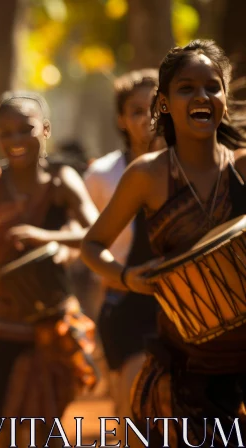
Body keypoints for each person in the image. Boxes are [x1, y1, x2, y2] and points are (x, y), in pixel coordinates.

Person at [81, 40, 246, 446]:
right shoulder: (148, 175)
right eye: (186, 88)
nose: (202, 96)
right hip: (182, 367)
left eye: (212, 86)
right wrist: (126, 277)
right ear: (164, 104)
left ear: (224, 97)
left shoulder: (242, 166)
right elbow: (92, 245)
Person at [0, 91, 99, 447]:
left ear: (45, 129)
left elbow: (96, 232)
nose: (15, 140)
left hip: (52, 325)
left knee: (47, 430)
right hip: (0, 323)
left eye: (25, 129)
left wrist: (46, 238)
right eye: (6, 132)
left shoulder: (62, 181)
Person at [82, 69, 162, 426]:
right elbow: (88, 240)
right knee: (130, 405)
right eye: (136, 110)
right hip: (122, 302)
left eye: (155, 108)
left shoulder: (193, 167)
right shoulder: (101, 174)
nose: (147, 119)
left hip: (185, 303)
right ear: (121, 118)